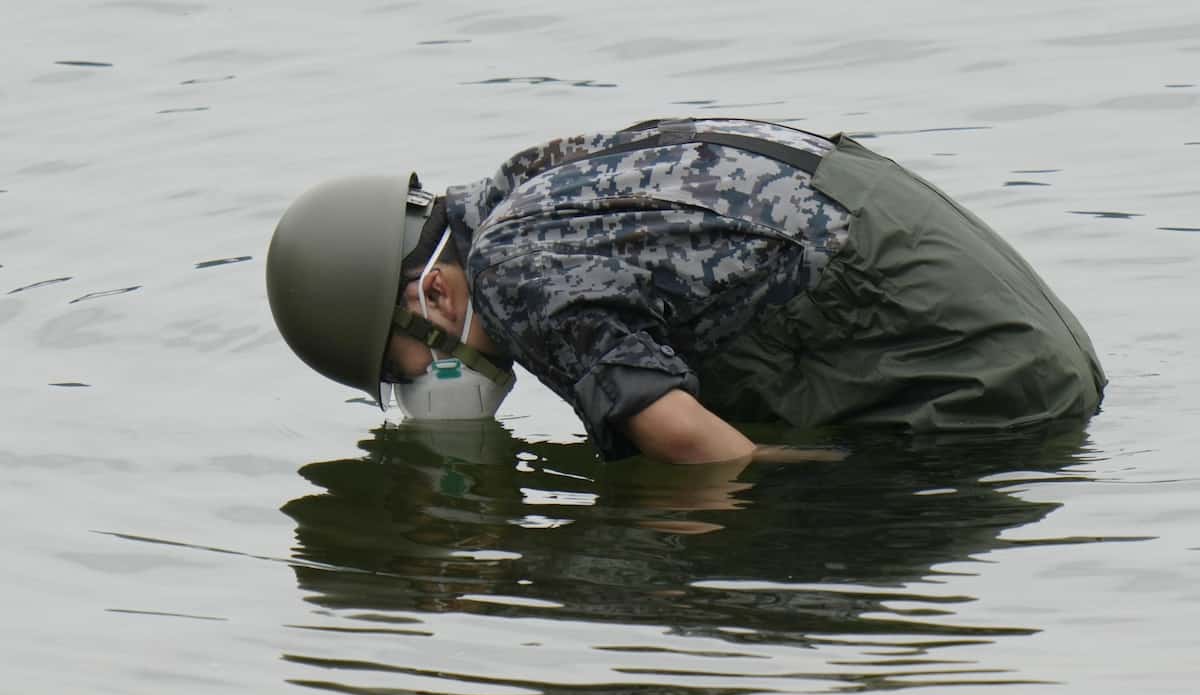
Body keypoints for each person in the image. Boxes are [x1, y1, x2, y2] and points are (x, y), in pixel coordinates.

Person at [266, 117, 1106, 464]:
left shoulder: (509, 272)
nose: (417, 385)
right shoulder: (524, 187)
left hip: (997, 380)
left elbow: (704, 455)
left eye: (398, 366)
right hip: (996, 307)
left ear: (432, 297)